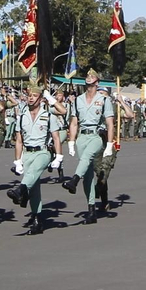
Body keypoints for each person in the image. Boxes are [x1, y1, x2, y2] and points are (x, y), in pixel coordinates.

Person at [5, 82, 62, 233]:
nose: (31, 98)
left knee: (34, 172)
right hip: (27, 152)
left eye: (34, 96)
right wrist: (18, 160)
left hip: (43, 151)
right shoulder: (22, 116)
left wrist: (58, 156)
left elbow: (56, 138)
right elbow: (19, 140)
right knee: (34, 187)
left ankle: (20, 190)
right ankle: (37, 218)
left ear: (41, 99)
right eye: (29, 95)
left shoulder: (48, 115)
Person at [64, 69, 114, 224]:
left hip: (96, 136)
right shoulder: (78, 100)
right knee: (88, 175)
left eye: (92, 77)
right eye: (87, 76)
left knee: (86, 158)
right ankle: (91, 209)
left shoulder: (104, 100)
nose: (89, 78)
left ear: (97, 82)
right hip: (82, 137)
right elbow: (74, 122)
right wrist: (71, 141)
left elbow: (110, 124)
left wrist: (109, 144)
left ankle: (74, 180)